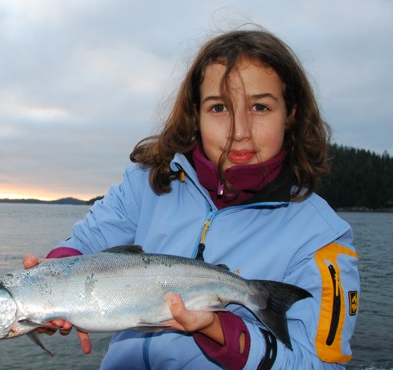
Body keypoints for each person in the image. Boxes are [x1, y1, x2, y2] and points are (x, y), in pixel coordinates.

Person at [23, 28, 359, 369]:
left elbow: (319, 364)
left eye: (260, 106)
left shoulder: (321, 238)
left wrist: (222, 331)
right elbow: (86, 242)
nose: (239, 131)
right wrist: (54, 280)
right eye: (218, 108)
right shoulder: (147, 182)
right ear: (195, 114)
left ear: (290, 114)